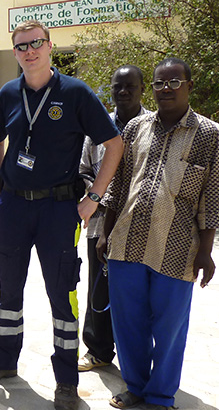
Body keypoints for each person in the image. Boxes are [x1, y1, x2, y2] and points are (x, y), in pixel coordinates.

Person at [0, 20, 123, 410]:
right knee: (9, 291)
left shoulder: (75, 93)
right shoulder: (8, 93)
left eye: (36, 43)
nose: (29, 51)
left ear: (50, 46)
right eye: (21, 46)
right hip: (15, 207)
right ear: (15, 52)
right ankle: (4, 361)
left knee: (63, 296)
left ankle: (66, 383)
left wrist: (95, 197)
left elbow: (114, 142)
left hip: (58, 209)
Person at [100, 57, 219, 410]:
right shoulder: (136, 128)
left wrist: (206, 251)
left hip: (176, 249)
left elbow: (213, 198)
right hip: (126, 242)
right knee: (128, 323)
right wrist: (104, 233)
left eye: (173, 82)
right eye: (158, 83)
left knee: (169, 329)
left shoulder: (209, 134)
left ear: (189, 85)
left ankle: (160, 397)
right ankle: (136, 387)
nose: (165, 89)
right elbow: (118, 185)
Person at [78, 64, 149, 373]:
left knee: (137, 293)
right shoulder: (97, 127)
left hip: (144, 226)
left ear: (142, 89)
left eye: (130, 86)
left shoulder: (155, 127)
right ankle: (98, 350)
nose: (123, 92)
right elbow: (83, 170)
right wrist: (97, 201)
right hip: (101, 222)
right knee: (99, 285)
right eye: (118, 86)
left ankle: (137, 357)